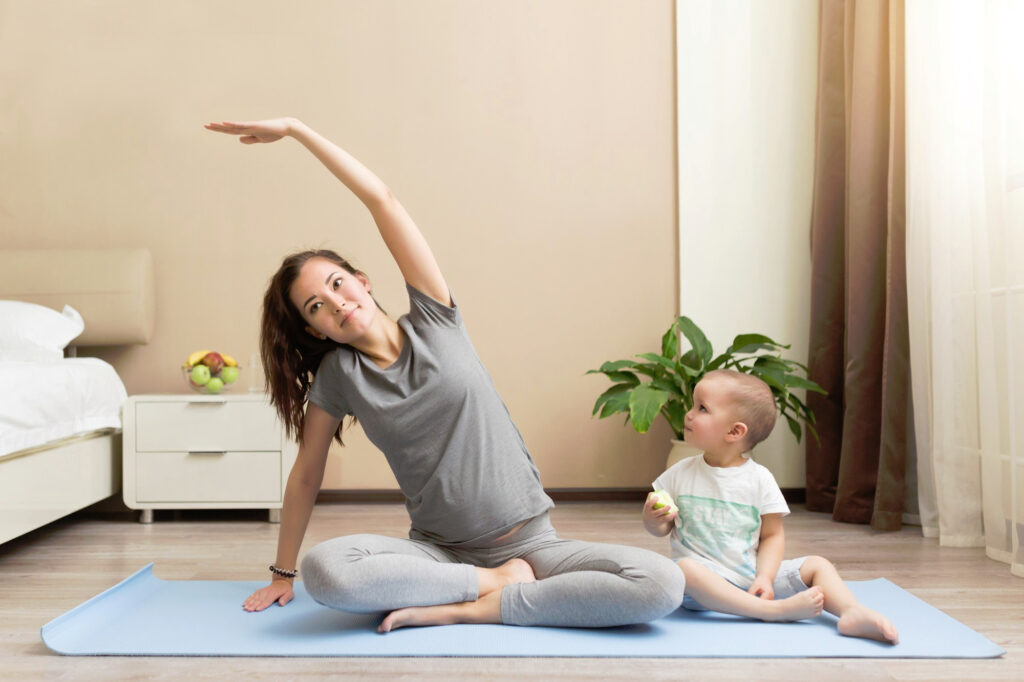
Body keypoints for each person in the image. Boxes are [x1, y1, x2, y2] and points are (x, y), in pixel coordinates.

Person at [205, 117, 684, 633]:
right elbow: (306, 474)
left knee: (662, 583)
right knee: (327, 572)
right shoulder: (339, 377)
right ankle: (492, 585)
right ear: (315, 330)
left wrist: (298, 131)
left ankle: (476, 606)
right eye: (317, 306)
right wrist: (283, 573)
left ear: (363, 282)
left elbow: (382, 200)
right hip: (440, 556)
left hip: (536, 545)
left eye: (339, 284)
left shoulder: (435, 318)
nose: (337, 303)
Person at [641, 369, 899, 644]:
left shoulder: (759, 479)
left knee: (817, 565)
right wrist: (653, 519)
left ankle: (851, 611)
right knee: (684, 569)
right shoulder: (678, 473)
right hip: (701, 588)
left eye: (702, 408)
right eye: (693, 405)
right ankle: (770, 611)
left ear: (735, 431)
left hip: (751, 580)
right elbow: (662, 528)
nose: (689, 414)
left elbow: (772, 535)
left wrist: (765, 577)